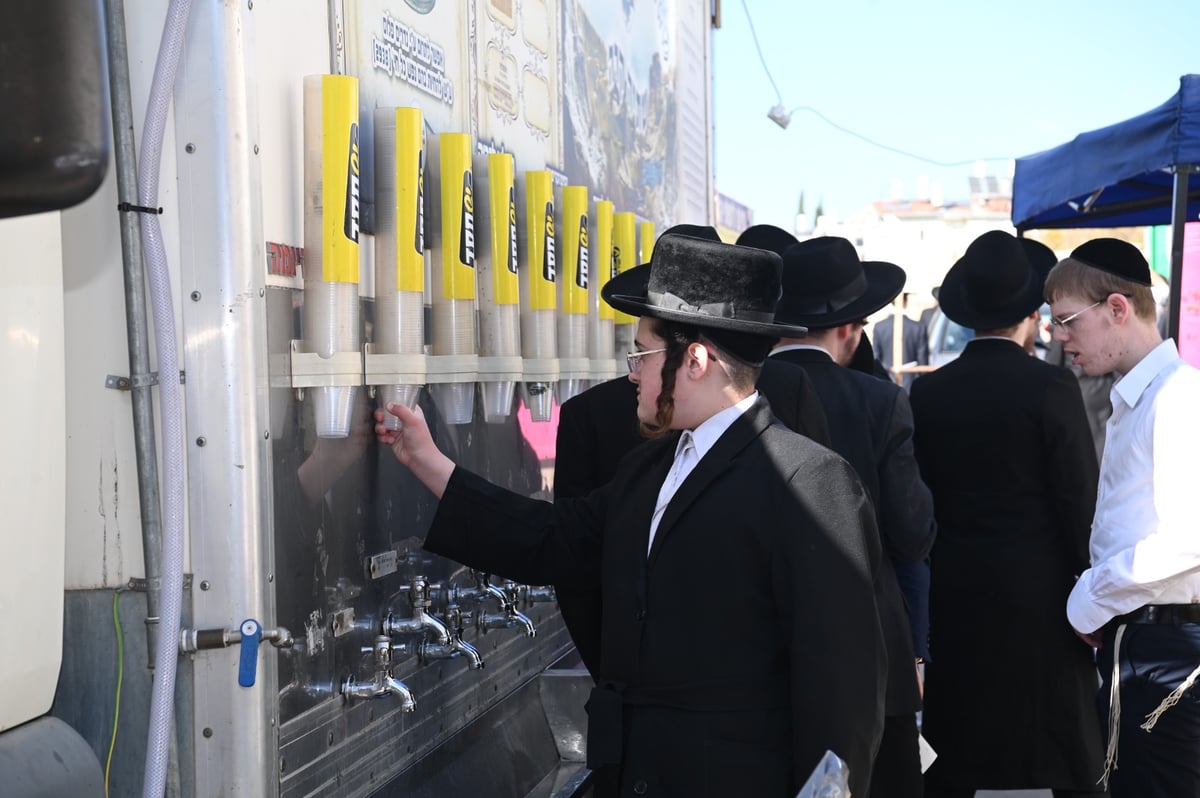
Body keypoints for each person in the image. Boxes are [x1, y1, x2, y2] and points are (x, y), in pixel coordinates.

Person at [377, 230, 886, 797]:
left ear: (695, 360)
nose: (632, 373)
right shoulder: (651, 468)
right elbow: (555, 540)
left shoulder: (808, 482)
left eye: (642, 353)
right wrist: (429, 463)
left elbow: (843, 694)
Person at [909, 230, 1106, 798]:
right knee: (1056, 741)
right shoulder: (1051, 386)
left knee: (962, 739)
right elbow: (1078, 500)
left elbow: (921, 497)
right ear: (1030, 314)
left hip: (956, 588)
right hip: (1040, 594)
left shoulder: (930, 393)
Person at [768, 235, 937, 798]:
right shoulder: (879, 400)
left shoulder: (738, 391)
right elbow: (913, 534)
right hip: (871, 645)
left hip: (764, 637)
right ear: (848, 328)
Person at [1046, 238, 1200, 797]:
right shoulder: (1144, 395)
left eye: (1066, 321)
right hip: (1146, 643)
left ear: (1117, 308)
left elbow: (1189, 539)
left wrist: (1092, 595)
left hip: (1167, 646)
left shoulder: (1178, 396)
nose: (1058, 336)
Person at [873, 292, 930, 392]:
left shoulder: (879, 327)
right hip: (911, 382)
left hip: (886, 381)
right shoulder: (918, 327)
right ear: (906, 302)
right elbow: (922, 360)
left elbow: (876, 357)